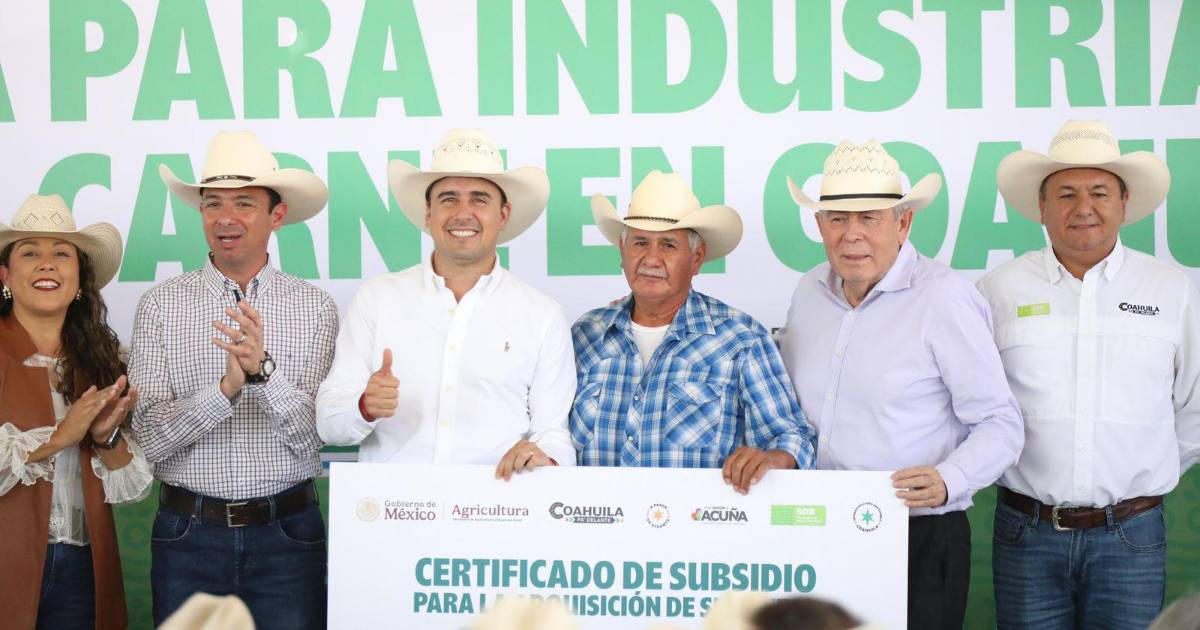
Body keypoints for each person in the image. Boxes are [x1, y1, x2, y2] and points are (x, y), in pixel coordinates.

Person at [778, 140, 1024, 629]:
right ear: (819, 226)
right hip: (820, 528)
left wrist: (949, 479)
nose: (851, 234)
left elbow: (1001, 423)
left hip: (918, 535)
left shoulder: (944, 298)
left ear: (903, 223)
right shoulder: (809, 291)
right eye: (837, 219)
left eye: (869, 218)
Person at [978, 119, 1199, 629]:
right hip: (1026, 531)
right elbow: (977, 404)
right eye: (1066, 194)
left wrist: (1145, 469)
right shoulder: (997, 291)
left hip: (1132, 534)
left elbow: (1195, 404)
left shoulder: (1173, 290)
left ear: (1124, 203)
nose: (1083, 207)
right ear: (1041, 207)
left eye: (1099, 192)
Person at [130, 131, 338, 629]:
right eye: (213, 204)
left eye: (244, 203)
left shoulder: (315, 308)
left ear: (277, 215)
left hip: (288, 534)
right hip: (188, 534)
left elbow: (315, 441)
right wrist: (223, 392)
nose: (226, 218)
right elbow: (147, 439)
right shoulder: (161, 306)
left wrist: (263, 374)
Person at [316, 128, 575, 477]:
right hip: (392, 508)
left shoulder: (542, 316)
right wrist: (364, 407)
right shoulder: (377, 299)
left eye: (479, 199)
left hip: (496, 506)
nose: (462, 213)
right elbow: (328, 423)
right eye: (448, 199)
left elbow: (553, 434)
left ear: (503, 215)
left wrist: (546, 458)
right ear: (428, 213)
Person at [571, 170, 815, 491]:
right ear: (622, 249)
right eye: (640, 242)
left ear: (696, 258)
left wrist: (773, 458)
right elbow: (550, 437)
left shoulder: (740, 339)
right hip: (595, 521)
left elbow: (792, 437)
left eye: (668, 245)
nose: (651, 259)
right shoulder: (585, 336)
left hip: (699, 523)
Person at [0, 194, 152, 629]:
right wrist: (58, 438)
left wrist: (105, 437)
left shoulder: (106, 361)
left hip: (82, 568)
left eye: (61, 254)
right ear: (5, 275)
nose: (47, 265)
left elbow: (132, 489)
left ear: (81, 280)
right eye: (30, 253)